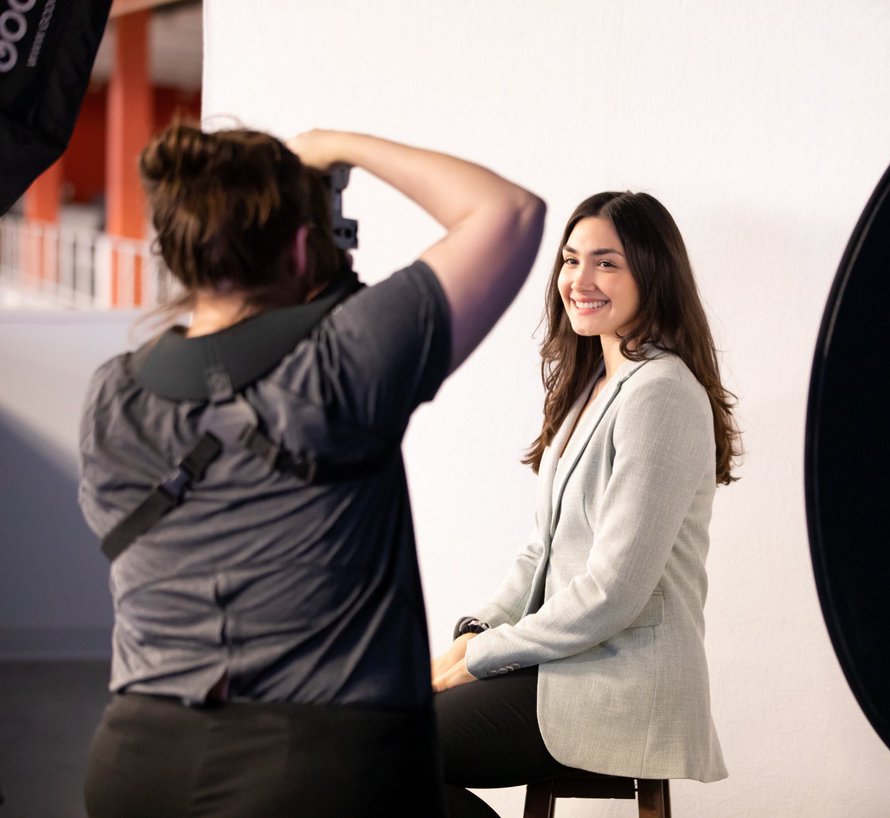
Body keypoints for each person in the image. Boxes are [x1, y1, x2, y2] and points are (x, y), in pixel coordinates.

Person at [77, 124, 544, 818]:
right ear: (302, 246)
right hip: (314, 766)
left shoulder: (112, 395)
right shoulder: (339, 367)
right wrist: (335, 145)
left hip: (137, 760)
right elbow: (508, 211)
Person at [432, 191, 737, 816]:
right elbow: (538, 553)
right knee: (361, 741)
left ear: (651, 274)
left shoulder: (661, 394)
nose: (580, 280)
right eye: (571, 261)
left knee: (378, 754)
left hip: (619, 682)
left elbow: (612, 592)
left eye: (606, 263)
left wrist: (483, 660)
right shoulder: (593, 388)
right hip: (566, 668)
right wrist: (473, 635)